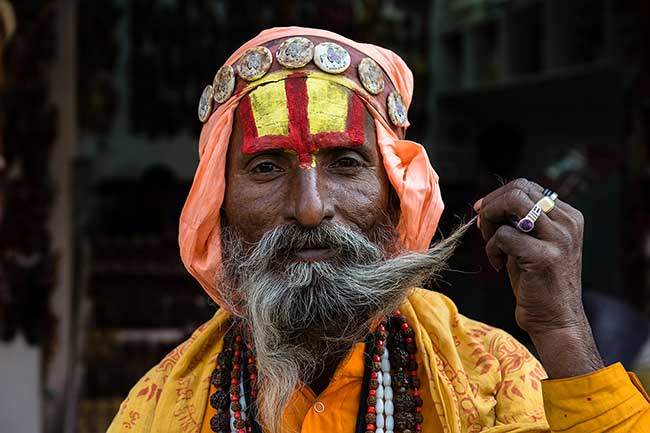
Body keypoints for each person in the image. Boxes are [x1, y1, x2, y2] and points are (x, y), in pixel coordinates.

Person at [108, 27, 650, 433]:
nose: (310, 208)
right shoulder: (158, 410)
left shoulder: (491, 379)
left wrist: (562, 331)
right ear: (217, 204)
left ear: (396, 195)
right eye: (267, 167)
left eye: (346, 162)